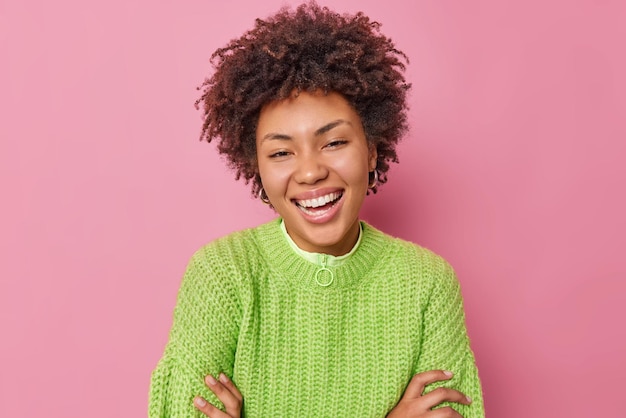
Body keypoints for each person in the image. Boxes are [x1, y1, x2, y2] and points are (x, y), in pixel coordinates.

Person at [149, 2, 484, 417]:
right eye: (281, 152)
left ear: (372, 151)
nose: (309, 172)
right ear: (257, 169)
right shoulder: (223, 274)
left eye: (334, 143)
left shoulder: (427, 285)